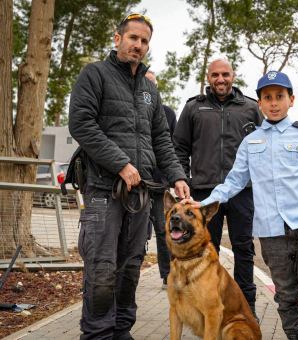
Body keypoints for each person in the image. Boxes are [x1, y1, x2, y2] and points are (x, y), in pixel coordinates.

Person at [187, 71, 298, 340]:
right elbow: (233, 182)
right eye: (267, 97)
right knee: (285, 297)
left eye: (279, 96)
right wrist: (202, 202)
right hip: (271, 232)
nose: (274, 103)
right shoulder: (250, 142)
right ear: (259, 104)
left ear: (291, 100)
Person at [69, 13, 189, 340]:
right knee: (102, 267)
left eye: (144, 41)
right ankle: (96, 335)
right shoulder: (95, 74)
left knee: (131, 266)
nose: (138, 45)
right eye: (133, 38)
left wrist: (177, 176)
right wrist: (121, 163)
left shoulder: (149, 91)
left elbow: (161, 138)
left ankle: (121, 332)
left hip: (140, 193)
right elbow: (81, 124)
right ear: (117, 38)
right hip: (99, 189)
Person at [173, 58, 262, 316]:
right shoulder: (193, 108)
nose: (220, 79)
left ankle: (246, 308)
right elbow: (179, 148)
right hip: (203, 195)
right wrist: (182, 180)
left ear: (233, 76)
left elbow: (261, 149)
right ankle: (202, 306)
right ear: (208, 78)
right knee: (200, 252)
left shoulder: (250, 108)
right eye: (215, 75)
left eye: (225, 74)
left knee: (243, 249)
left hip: (242, 193)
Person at [144, 70, 176, 289]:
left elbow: (171, 147)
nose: (149, 86)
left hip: (158, 185)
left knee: (164, 232)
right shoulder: (127, 110)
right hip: (133, 185)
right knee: (134, 235)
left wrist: (173, 178)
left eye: (152, 83)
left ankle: (168, 276)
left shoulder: (167, 113)